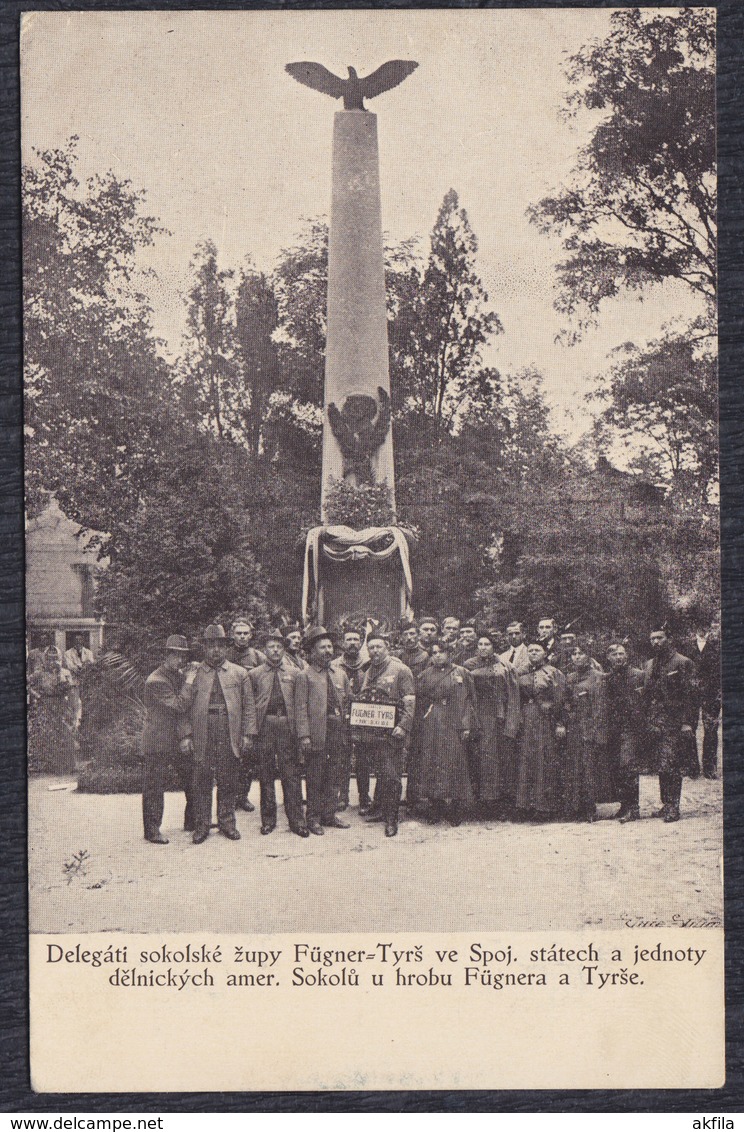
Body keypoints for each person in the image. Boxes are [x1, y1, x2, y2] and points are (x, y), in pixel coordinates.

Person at [182, 624, 257, 844]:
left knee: (228, 778)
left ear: (226, 648)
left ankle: (227, 822)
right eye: (211, 646)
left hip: (229, 729)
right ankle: (202, 825)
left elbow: (249, 706)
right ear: (204, 648)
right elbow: (183, 708)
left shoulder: (239, 673)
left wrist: (247, 735)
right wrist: (186, 735)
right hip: (202, 730)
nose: (215, 650)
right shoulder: (194, 674)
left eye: (220, 646)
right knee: (202, 779)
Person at [355, 634, 416, 837]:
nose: (375, 651)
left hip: (393, 732)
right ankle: (381, 810)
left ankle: (392, 818)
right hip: (374, 732)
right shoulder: (368, 671)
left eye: (379, 647)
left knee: (392, 776)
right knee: (381, 773)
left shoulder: (400, 670)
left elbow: (410, 701)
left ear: (387, 647)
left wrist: (403, 725)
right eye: (371, 648)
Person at [294, 626, 351, 836]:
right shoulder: (304, 676)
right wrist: (304, 735)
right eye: (322, 647)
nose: (327, 651)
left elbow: (349, 702)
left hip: (337, 731)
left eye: (329, 646)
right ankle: (314, 818)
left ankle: (330, 814)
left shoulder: (340, 674)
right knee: (315, 775)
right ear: (313, 651)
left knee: (334, 773)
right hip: (317, 732)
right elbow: (300, 708)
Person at [250, 629, 306, 837]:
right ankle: (268, 820)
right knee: (265, 774)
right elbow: (250, 706)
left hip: (286, 726)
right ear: (264, 650)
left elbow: (300, 706)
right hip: (265, 726)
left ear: (284, 650)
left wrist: (301, 733)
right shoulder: (254, 674)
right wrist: (251, 731)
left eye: (279, 647)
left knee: (290, 774)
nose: (275, 650)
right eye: (271, 647)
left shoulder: (294, 673)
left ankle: (297, 821)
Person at [140, 634, 194, 844]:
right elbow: (180, 705)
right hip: (158, 741)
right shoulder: (156, 681)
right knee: (155, 787)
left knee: (191, 778)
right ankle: (152, 830)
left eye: (183, 656)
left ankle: (192, 820)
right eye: (176, 656)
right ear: (166, 656)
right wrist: (189, 679)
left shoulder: (175, 675)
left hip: (177, 738)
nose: (181, 661)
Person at [416, 641, 477, 825]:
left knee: (455, 761)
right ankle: (436, 805)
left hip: (455, 719)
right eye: (434, 652)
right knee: (433, 760)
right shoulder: (425, 675)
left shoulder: (462, 673)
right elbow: (420, 700)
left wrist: (466, 725)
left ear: (449, 653)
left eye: (441, 652)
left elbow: (469, 701)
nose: (437, 656)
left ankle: (455, 808)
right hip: (434, 720)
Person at [641, 626, 699, 823]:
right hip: (655, 722)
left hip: (675, 722)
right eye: (652, 639)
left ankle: (674, 806)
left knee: (672, 763)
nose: (656, 642)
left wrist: (687, 723)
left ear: (668, 639)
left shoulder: (682, 662)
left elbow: (691, 696)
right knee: (661, 763)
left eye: (659, 638)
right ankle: (666, 803)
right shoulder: (649, 664)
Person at [464, 634, 520, 817]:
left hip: (499, 716)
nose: (483, 647)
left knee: (501, 759)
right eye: (480, 644)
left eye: (487, 644)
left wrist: (511, 721)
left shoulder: (505, 666)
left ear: (493, 646)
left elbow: (512, 694)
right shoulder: (468, 665)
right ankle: (480, 804)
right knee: (479, 757)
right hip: (477, 716)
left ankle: (500, 804)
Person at [514, 641, 566, 820]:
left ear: (545, 653)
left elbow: (560, 700)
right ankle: (525, 806)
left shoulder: (553, 673)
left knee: (544, 760)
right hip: (526, 719)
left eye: (537, 650)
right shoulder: (520, 672)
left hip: (546, 720)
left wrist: (559, 723)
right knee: (526, 759)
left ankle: (544, 807)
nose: (534, 653)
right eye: (531, 650)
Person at [562, 641, 609, 822]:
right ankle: (575, 807)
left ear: (589, 656)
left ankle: (590, 808)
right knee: (573, 767)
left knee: (589, 768)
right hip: (573, 727)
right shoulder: (570, 677)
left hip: (590, 728)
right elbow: (566, 701)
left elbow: (600, 707)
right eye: (574, 654)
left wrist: (595, 732)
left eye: (581, 653)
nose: (577, 656)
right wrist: (568, 714)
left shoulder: (598, 677)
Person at [604, 643, 646, 823]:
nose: (618, 657)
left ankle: (634, 808)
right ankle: (625, 805)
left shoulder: (639, 675)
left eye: (621, 654)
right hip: (613, 728)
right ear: (608, 658)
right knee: (616, 767)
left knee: (628, 766)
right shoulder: (607, 678)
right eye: (614, 655)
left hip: (632, 728)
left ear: (627, 656)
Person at [331, 627, 370, 812]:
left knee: (363, 759)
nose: (353, 643)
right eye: (349, 639)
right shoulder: (334, 666)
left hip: (363, 718)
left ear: (361, 642)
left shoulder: (369, 664)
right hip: (342, 718)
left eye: (356, 639)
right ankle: (342, 796)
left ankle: (364, 797)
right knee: (342, 757)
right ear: (343, 642)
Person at [230, 617, 265, 813]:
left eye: (245, 633)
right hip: (231, 711)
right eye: (238, 633)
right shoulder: (226, 655)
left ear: (250, 636)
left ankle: (242, 796)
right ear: (232, 635)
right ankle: (229, 797)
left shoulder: (258, 657)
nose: (242, 637)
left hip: (250, 711)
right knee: (230, 757)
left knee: (248, 757)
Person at [687, 618, 721, 779]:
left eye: (704, 624)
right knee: (689, 728)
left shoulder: (717, 645)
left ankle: (710, 768)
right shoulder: (686, 645)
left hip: (711, 694)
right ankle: (692, 768)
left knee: (711, 729)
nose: (702, 627)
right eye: (699, 623)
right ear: (694, 625)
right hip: (690, 695)